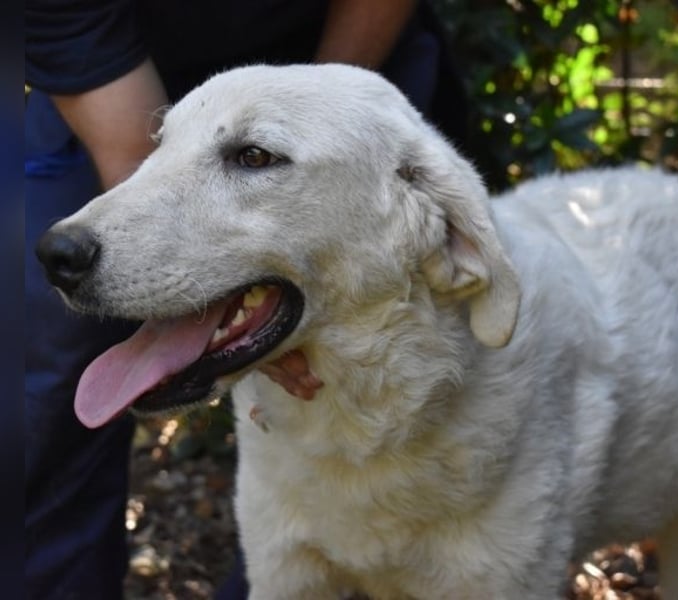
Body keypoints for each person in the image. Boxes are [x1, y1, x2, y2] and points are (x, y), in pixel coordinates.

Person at [24, 2, 468, 597]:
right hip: (119, 82)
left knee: (395, 361)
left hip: (352, 60)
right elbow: (137, 168)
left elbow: (326, 130)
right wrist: (239, 313)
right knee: (47, 386)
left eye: (255, 158)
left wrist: (312, 126)